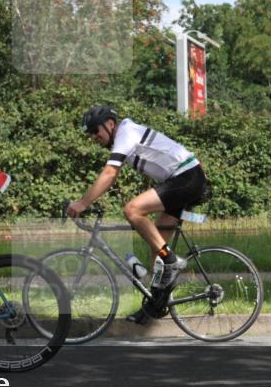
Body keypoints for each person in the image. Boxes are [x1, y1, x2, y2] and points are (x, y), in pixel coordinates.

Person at [66, 105, 209, 324]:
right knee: (156, 248)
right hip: (184, 178)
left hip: (186, 178)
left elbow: (110, 173)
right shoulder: (127, 134)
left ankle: (171, 260)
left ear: (110, 124)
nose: (94, 137)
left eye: (96, 131)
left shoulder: (126, 132)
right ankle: (155, 305)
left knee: (132, 210)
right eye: (91, 134)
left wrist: (84, 203)